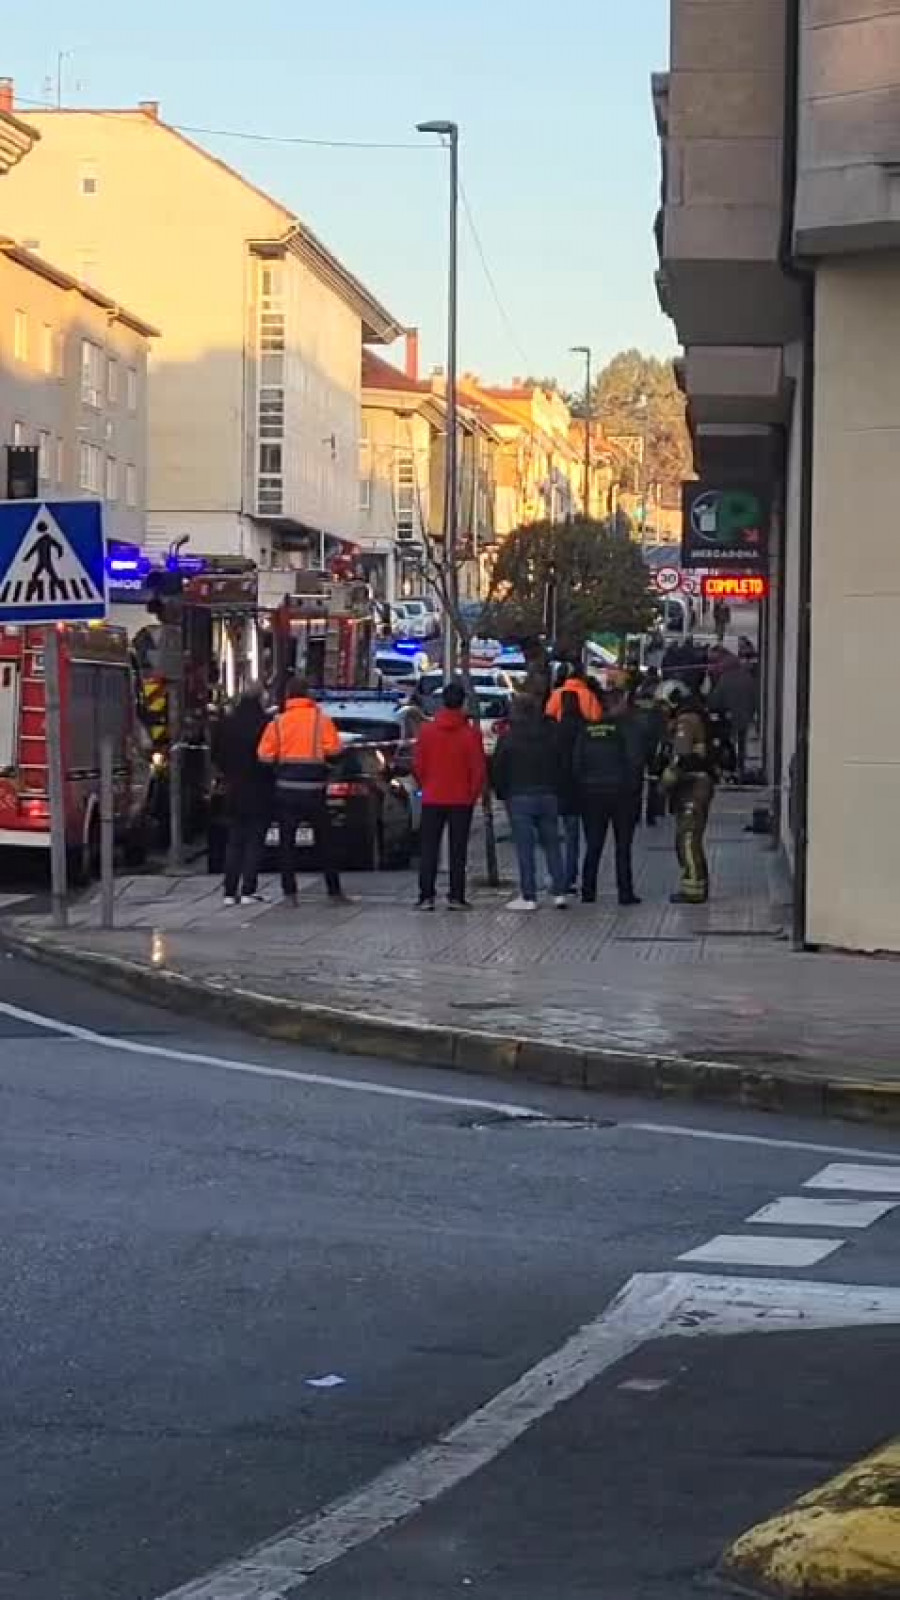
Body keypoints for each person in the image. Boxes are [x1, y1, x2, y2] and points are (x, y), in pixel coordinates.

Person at [257, 675, 347, 906]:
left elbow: (264, 755)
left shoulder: (277, 723)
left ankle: (290, 894)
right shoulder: (321, 721)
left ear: (288, 696)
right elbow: (335, 749)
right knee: (326, 842)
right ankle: (334, 891)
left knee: (286, 844)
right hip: (315, 790)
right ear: (308, 695)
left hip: (286, 790)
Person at [413, 682, 486, 910]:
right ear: (463, 702)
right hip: (461, 799)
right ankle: (456, 896)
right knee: (458, 850)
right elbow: (478, 769)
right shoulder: (471, 735)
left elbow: (418, 765)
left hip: (433, 796)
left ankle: (426, 896)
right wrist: (471, 794)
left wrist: (427, 785)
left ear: (442, 701)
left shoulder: (427, 732)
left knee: (429, 849)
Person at [491, 696, 567, 911]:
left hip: (520, 796)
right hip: (548, 795)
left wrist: (502, 792)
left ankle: (529, 894)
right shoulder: (551, 735)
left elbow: (498, 767)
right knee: (552, 844)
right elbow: (561, 763)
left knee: (525, 848)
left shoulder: (509, 737)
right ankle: (559, 892)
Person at [574, 686, 644, 906]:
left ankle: (588, 890)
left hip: (591, 795)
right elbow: (635, 762)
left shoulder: (588, 731)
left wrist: (583, 787)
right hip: (621, 796)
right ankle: (625, 892)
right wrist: (633, 791)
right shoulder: (627, 730)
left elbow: (576, 764)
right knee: (622, 847)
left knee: (593, 844)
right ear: (619, 704)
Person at [211, 682, 273, 906]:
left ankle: (229, 891)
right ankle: (248, 889)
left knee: (234, 841)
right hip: (260, 789)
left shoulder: (226, 724)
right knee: (254, 842)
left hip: (234, 789)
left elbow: (216, 755)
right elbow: (271, 757)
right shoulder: (266, 725)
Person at [658, 680, 716, 905]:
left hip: (694, 787)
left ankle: (693, 889)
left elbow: (680, 759)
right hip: (697, 785)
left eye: (664, 705)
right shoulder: (695, 717)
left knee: (688, 838)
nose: (663, 711)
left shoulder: (686, 721)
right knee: (690, 836)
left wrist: (664, 784)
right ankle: (696, 884)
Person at [708, 656, 757, 781]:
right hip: (744, 717)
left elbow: (715, 700)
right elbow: (754, 698)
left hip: (728, 718)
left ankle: (728, 768)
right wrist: (751, 714)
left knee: (726, 744)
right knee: (741, 743)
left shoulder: (724, 679)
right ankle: (740, 768)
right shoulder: (748, 678)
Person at [556, 689, 584, 892]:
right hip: (583, 787)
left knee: (560, 835)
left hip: (561, 787)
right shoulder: (585, 728)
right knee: (575, 835)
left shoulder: (557, 730)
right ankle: (572, 875)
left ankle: (564, 877)